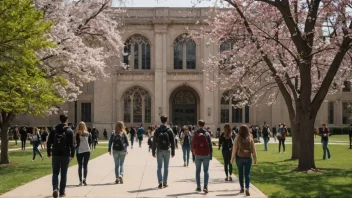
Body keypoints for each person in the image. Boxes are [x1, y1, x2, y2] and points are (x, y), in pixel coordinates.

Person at [47, 114, 75, 198]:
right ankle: (62, 192)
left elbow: (49, 142)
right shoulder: (69, 130)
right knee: (64, 173)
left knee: (55, 172)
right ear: (66, 120)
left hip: (55, 153)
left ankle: (55, 188)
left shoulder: (54, 130)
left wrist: (49, 153)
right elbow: (72, 144)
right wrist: (72, 155)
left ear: (60, 120)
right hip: (65, 154)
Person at [231, 125, 257, 196]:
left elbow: (234, 150)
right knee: (247, 174)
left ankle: (242, 188)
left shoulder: (237, 138)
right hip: (248, 157)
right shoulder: (250, 138)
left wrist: (232, 159)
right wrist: (255, 159)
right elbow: (253, 150)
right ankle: (247, 188)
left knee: (240, 173)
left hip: (239, 158)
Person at [152, 115, 175, 189]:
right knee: (166, 167)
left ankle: (160, 182)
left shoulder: (157, 130)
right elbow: (172, 141)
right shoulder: (169, 130)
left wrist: (153, 151)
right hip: (167, 150)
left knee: (159, 167)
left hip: (159, 150)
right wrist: (173, 151)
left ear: (161, 120)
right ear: (166, 120)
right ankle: (165, 182)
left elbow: (154, 141)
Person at [192, 120, 212, 193]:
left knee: (198, 171)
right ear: (204, 125)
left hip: (197, 154)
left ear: (198, 125)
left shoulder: (195, 134)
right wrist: (211, 154)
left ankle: (198, 187)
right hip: (206, 154)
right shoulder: (207, 133)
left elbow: (193, 145)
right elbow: (210, 145)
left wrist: (193, 155)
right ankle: (205, 186)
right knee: (206, 170)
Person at [75, 122, 92, 186]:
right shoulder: (88, 134)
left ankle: (80, 181)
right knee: (85, 165)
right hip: (87, 150)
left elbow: (77, 143)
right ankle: (84, 179)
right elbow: (90, 142)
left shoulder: (77, 134)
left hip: (80, 150)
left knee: (80, 165)